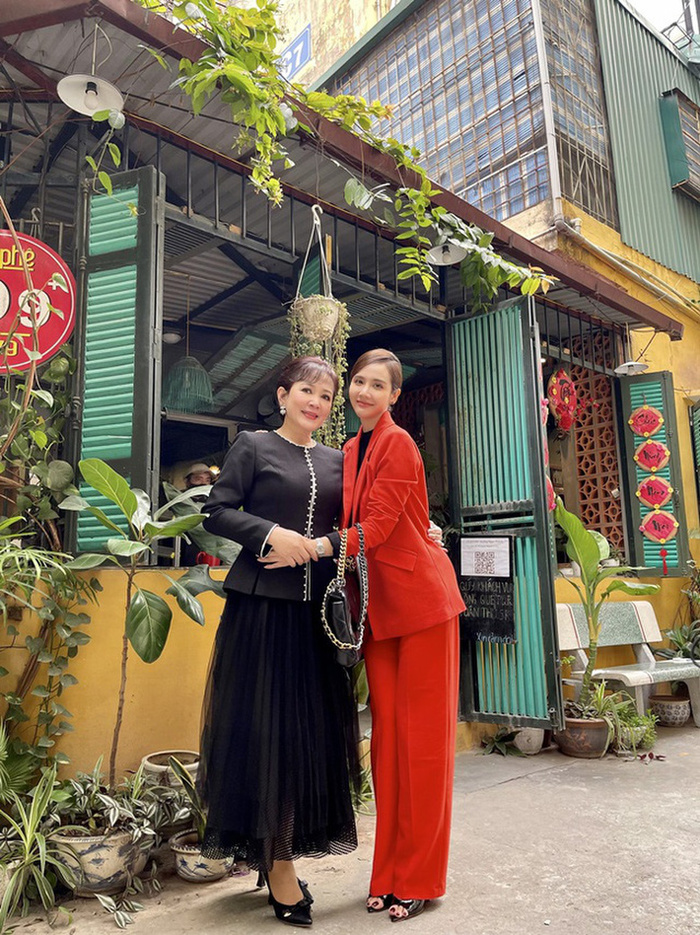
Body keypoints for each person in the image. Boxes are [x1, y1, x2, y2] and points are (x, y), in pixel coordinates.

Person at [264, 348, 464, 923]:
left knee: (423, 748)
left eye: (379, 385)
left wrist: (313, 548)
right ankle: (389, 875)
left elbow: (374, 527)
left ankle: (421, 879)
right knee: (389, 749)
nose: (364, 392)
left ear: (395, 395)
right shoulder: (350, 450)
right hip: (377, 613)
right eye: (358, 381)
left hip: (423, 607)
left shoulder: (398, 443)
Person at [199, 356, 360, 928]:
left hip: (317, 617)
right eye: (306, 391)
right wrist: (271, 533)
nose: (315, 402)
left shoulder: (341, 460)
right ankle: (278, 862)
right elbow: (216, 512)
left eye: (326, 396)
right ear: (283, 394)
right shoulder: (253, 446)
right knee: (266, 735)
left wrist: (321, 545)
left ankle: (279, 848)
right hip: (262, 613)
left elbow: (359, 525)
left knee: (307, 737)